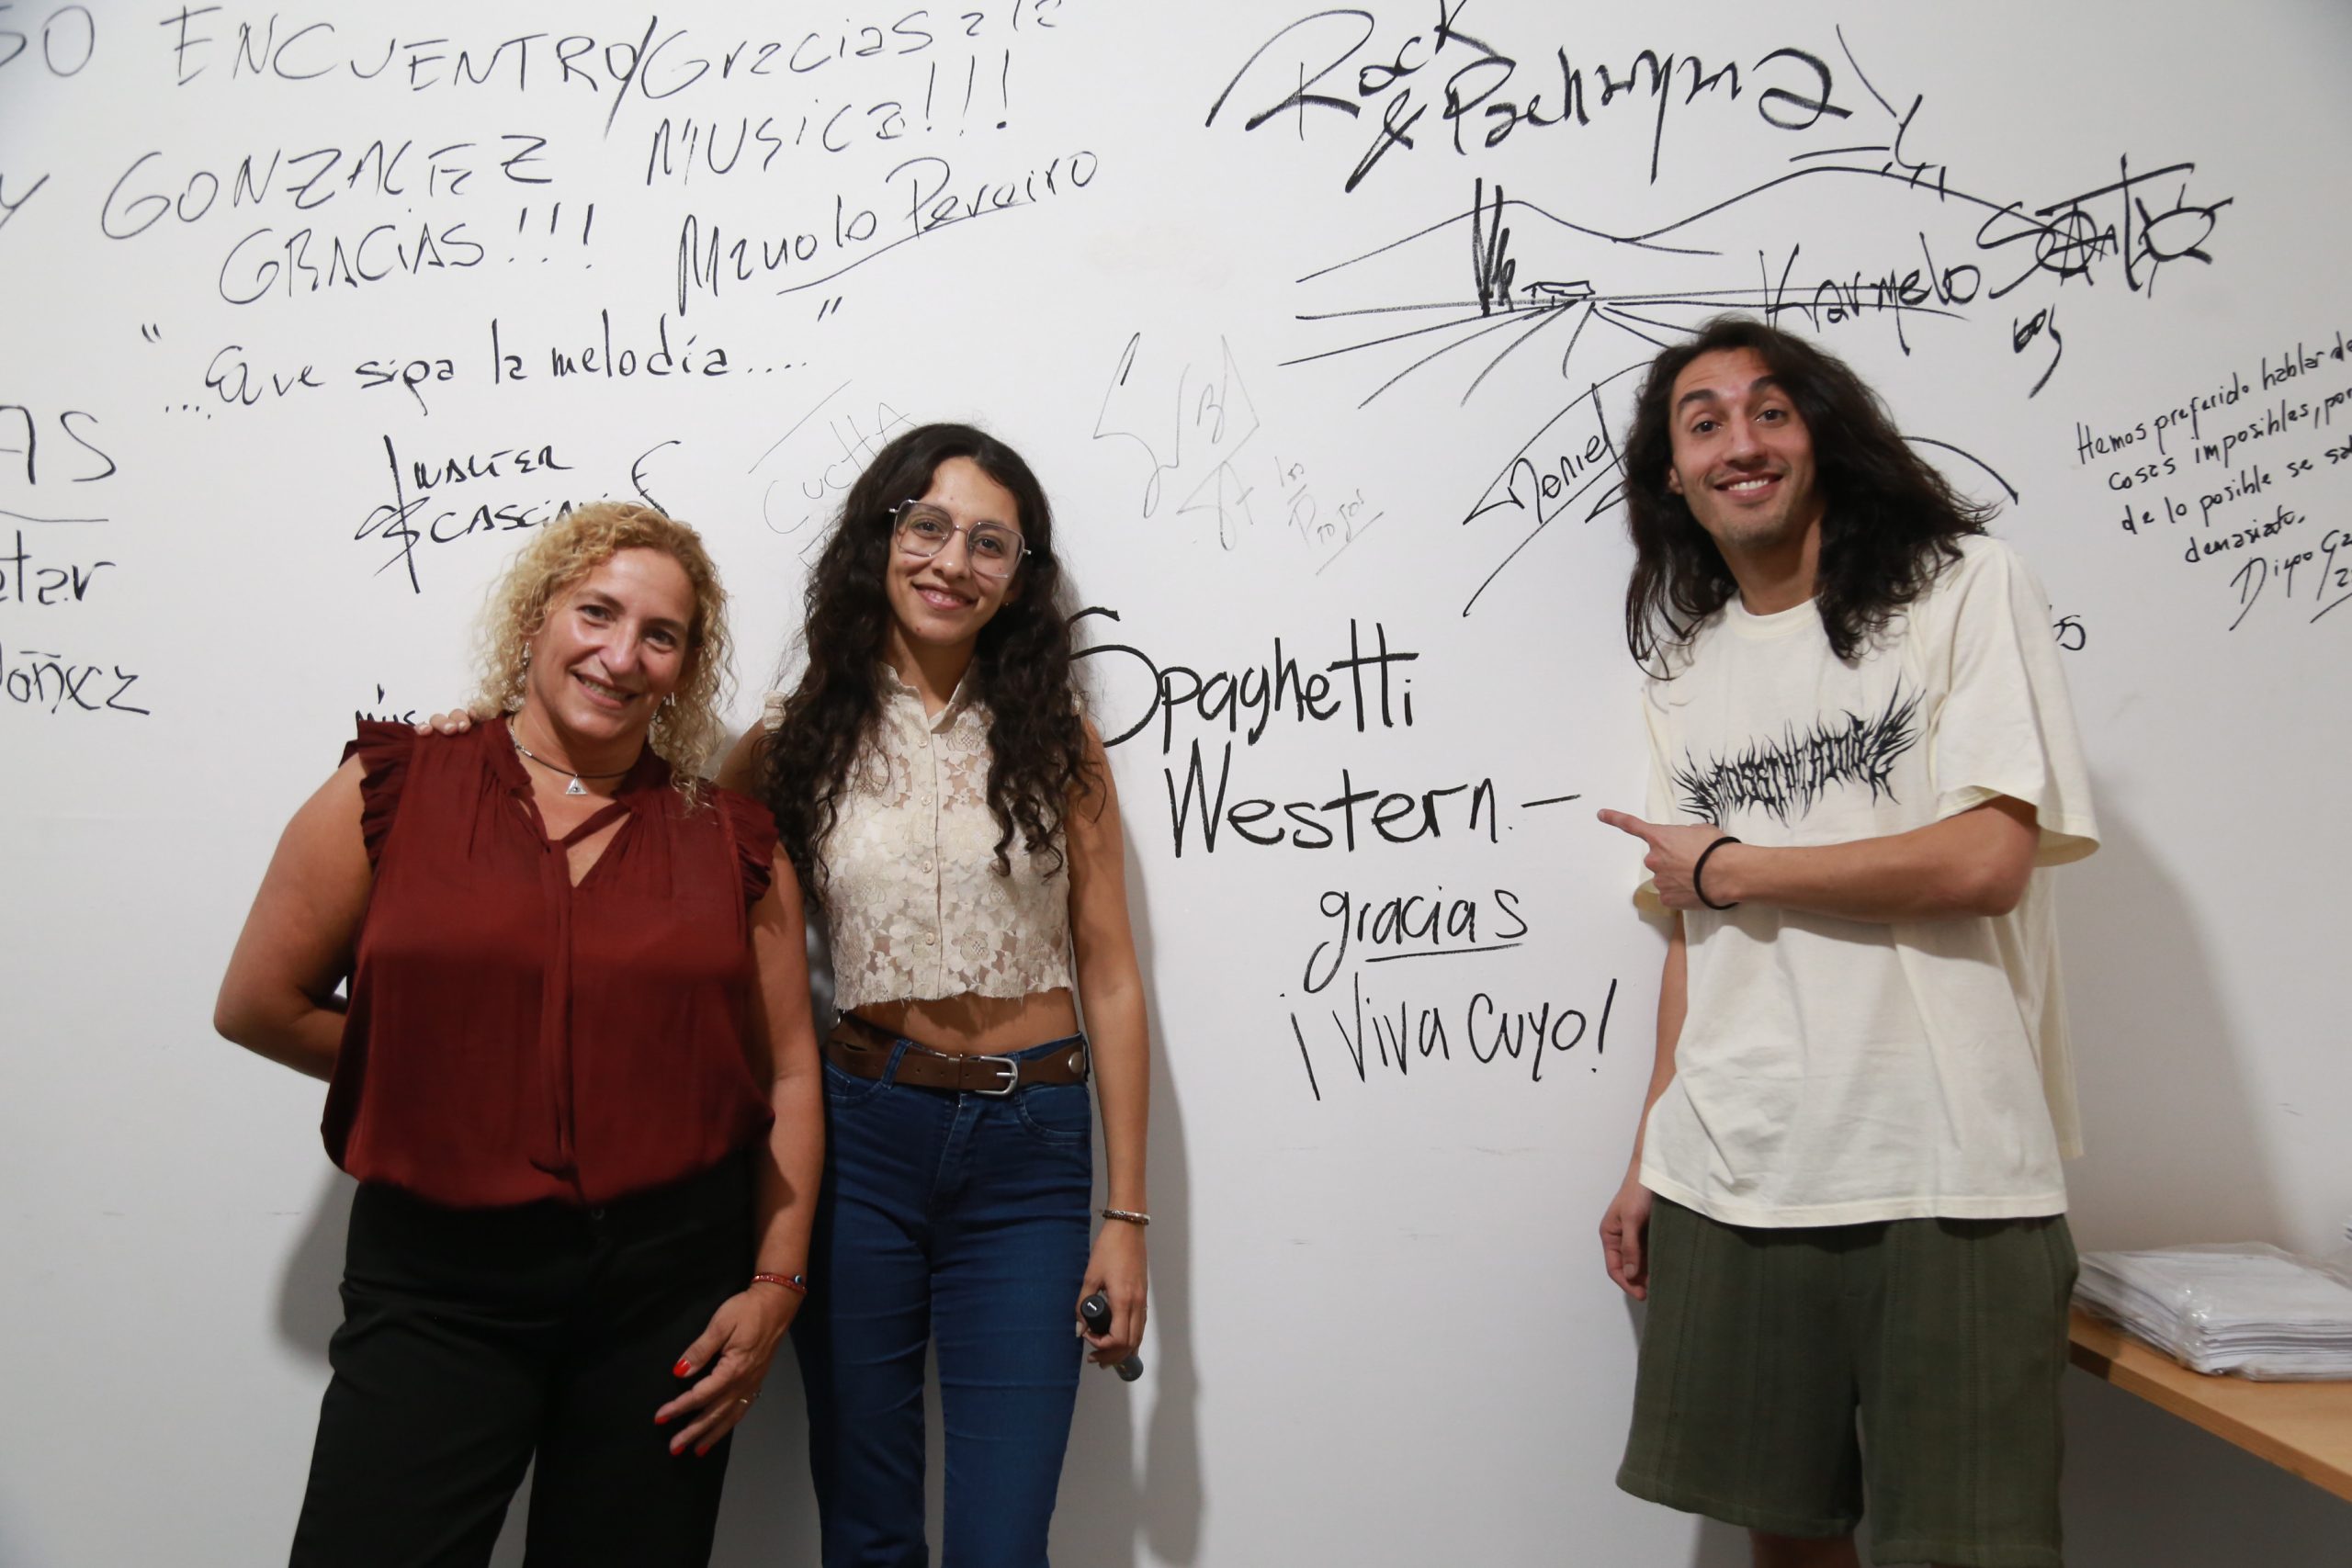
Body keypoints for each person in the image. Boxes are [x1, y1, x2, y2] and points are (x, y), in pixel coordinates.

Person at [214, 502, 823, 1568]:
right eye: (597, 613)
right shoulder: (396, 786)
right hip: (436, 1283)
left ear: (683, 668)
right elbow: (259, 1003)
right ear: (536, 617)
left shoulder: (732, 842)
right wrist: (442, 1066)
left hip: (666, 1294)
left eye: (661, 635)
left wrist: (775, 1286)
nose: (621, 655)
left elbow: (787, 1073)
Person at [1593, 318, 2099, 1568]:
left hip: (1952, 1168)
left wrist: (1731, 865)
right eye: (1703, 423)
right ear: (1673, 476)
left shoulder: (1963, 588)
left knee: (1972, 1550)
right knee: (1789, 1541)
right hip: (1737, 1166)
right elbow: (1693, 939)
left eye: (1770, 410)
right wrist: (1649, 1153)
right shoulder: (1685, 671)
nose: (1740, 441)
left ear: (1821, 435)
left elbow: (1983, 863)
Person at [716, 421, 1151, 1568]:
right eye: (929, 527)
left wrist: (1126, 1217)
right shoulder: (791, 742)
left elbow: (1111, 974)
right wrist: (510, 741)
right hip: (860, 1141)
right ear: (883, 537)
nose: (953, 562)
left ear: (1019, 578)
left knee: (1004, 1544)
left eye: (989, 543)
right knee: (866, 1532)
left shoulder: (1059, 741)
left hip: (1030, 1150)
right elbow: (675, 857)